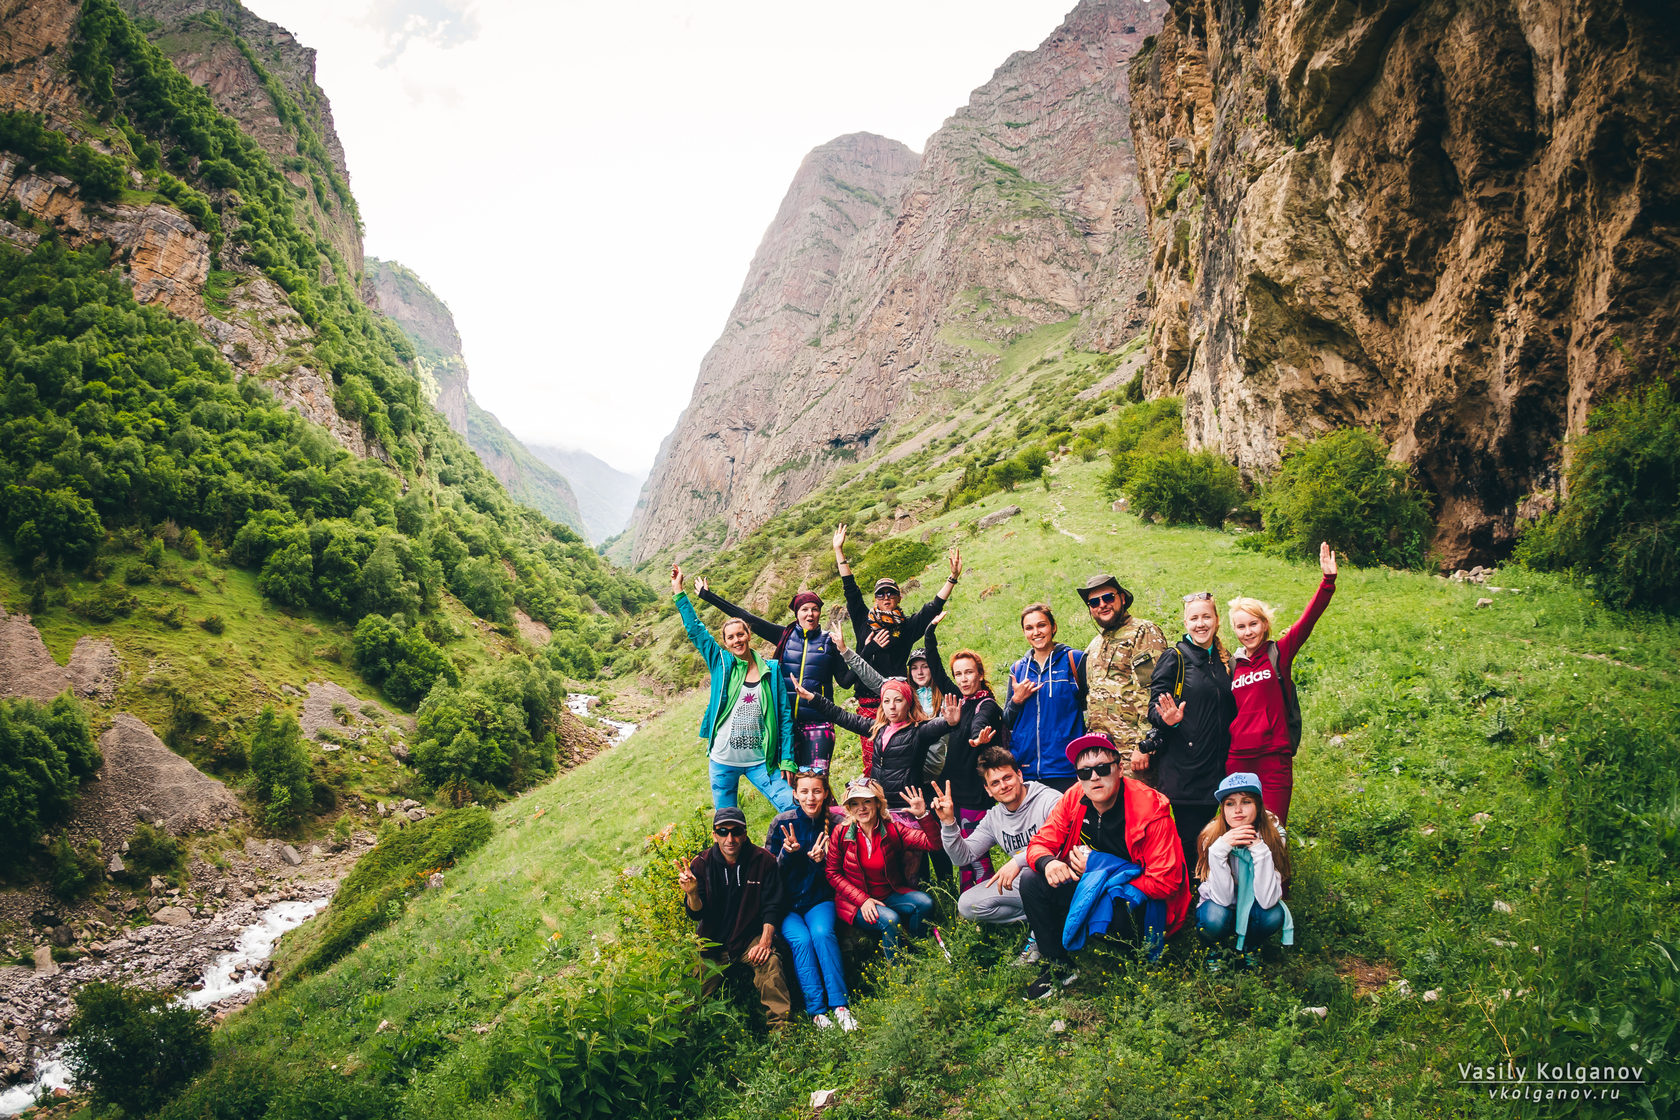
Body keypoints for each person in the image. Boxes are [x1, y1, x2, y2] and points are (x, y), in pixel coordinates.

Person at [1017, 733, 1192, 998]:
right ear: (1078, 777)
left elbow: (1166, 881)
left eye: (1102, 768)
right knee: (1031, 879)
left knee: (1117, 910)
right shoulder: (1074, 797)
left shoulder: (1151, 808)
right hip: (1089, 883)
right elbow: (1041, 842)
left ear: (1119, 769)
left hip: (1134, 898)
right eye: (1085, 772)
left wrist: (1100, 870)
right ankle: (1058, 966)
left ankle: (1132, 961)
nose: (1094, 777)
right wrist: (1049, 863)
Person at [833, 524, 960, 775]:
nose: (886, 597)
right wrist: (839, 551)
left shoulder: (907, 626)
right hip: (870, 702)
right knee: (873, 762)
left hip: (900, 703)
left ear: (899, 597)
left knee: (903, 758)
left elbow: (932, 608)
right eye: (881, 595)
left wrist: (952, 579)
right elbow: (851, 589)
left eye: (891, 593)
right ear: (875, 599)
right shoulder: (863, 620)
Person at [695, 576, 854, 776]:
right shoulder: (784, 636)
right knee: (796, 787)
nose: (810, 613)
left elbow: (846, 682)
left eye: (814, 609)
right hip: (786, 726)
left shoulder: (829, 642)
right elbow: (747, 617)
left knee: (817, 782)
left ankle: (829, 808)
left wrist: (854, 653)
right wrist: (708, 596)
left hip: (818, 723)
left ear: (820, 612)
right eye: (804, 609)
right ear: (797, 613)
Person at [1227, 543, 1338, 824]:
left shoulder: (1278, 653)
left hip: (1274, 758)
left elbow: (1307, 621)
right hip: (1238, 759)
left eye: (1253, 624)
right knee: (1240, 831)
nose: (1247, 631)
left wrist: (1327, 582)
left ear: (1264, 624)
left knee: (1274, 831)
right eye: (1241, 627)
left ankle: (1278, 871)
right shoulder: (1231, 665)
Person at [673, 565, 795, 813]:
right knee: (727, 825)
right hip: (722, 762)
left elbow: (784, 716)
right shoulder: (721, 663)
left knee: (792, 807)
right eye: (731, 637)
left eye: (741, 634)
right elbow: (696, 630)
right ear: (726, 642)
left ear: (749, 635)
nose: (737, 640)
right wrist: (679, 591)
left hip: (762, 761)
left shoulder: (771, 670)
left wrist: (788, 760)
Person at [917, 749, 1060, 960]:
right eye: (995, 783)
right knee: (968, 904)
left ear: (1019, 775)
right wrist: (948, 823)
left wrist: (1018, 861)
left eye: (1007, 777)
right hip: (1027, 885)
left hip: (1058, 878)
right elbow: (962, 857)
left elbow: (1063, 842)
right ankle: (1041, 918)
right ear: (988, 790)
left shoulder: (1049, 800)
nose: (1003, 786)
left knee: (1033, 876)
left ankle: (1045, 930)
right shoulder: (995, 818)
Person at [1145, 592, 1237, 877]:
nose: (1200, 624)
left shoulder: (1224, 662)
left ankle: (1220, 893)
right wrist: (1167, 719)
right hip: (1186, 773)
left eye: (1206, 617)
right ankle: (1192, 903)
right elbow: (1153, 708)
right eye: (1194, 618)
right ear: (1185, 622)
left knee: (1221, 842)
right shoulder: (1174, 658)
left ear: (1217, 621)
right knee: (1192, 844)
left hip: (1221, 770)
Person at [677, 807, 793, 1029]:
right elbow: (696, 913)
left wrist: (765, 941)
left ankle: (783, 1031)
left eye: (736, 831)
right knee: (689, 996)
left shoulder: (764, 861)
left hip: (749, 938)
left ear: (745, 833)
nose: (730, 839)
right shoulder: (701, 863)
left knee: (771, 964)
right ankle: (683, 1040)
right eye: (723, 832)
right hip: (713, 942)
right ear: (714, 835)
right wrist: (691, 893)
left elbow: (773, 906)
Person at [922, 617, 1011, 890]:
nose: (963, 678)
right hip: (953, 790)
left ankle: (989, 901)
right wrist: (929, 633)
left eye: (968, 672)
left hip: (974, 791)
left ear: (980, 675)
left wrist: (976, 738)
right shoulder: (956, 698)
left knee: (976, 852)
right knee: (960, 852)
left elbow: (978, 723)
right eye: (958, 673)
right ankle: (969, 903)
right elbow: (935, 670)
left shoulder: (987, 704)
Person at [764, 772, 858, 1030]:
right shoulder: (781, 822)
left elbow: (848, 870)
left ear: (826, 793)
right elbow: (769, 872)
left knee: (822, 934)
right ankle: (817, 1011)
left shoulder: (838, 823)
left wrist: (824, 861)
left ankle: (840, 1005)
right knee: (801, 941)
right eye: (804, 791)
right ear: (794, 794)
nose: (810, 797)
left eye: (816, 791)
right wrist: (787, 853)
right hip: (787, 907)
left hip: (819, 900)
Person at [824, 777, 939, 960]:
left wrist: (923, 816)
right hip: (855, 902)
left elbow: (934, 844)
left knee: (924, 903)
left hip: (888, 894)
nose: (861, 808)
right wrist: (862, 900)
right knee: (890, 919)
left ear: (878, 803)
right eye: (854, 803)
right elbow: (832, 873)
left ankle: (918, 951)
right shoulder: (842, 833)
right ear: (849, 808)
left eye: (867, 801)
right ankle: (899, 972)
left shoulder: (892, 829)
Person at [1195, 772, 1293, 972]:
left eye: (1246, 801)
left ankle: (1251, 946)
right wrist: (1220, 850)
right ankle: (1215, 949)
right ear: (1223, 809)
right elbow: (1222, 899)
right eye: (1230, 803)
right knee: (1214, 917)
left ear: (1258, 805)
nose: (1237, 810)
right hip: (1223, 905)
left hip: (1256, 904)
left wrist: (1260, 850)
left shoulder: (1274, 834)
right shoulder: (1211, 835)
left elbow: (1267, 900)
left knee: (1273, 914)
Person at [1077, 573, 1169, 781]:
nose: (1102, 605)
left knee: (1139, 811)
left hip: (1133, 756)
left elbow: (1151, 691)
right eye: (1094, 602)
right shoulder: (1094, 645)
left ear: (1123, 598)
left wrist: (1144, 745)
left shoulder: (1143, 632)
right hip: (1102, 755)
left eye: (1108, 598)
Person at [1001, 603, 1087, 792]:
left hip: (1066, 769)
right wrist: (1017, 700)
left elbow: (1092, 708)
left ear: (1053, 627)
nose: (1036, 632)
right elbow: (1007, 720)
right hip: (1027, 770)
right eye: (1029, 628)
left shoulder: (1075, 660)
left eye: (1041, 625)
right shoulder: (1018, 669)